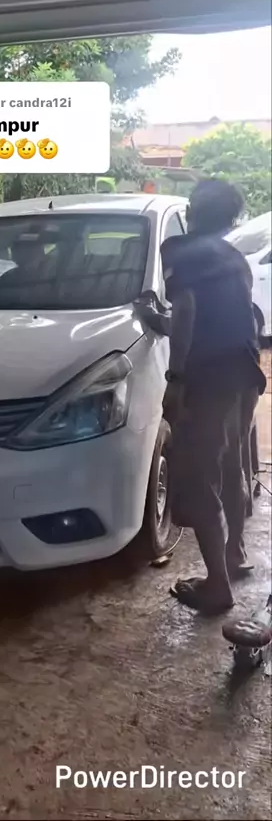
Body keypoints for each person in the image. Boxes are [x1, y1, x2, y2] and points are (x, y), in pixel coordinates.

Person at [161, 179, 267, 615]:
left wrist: (175, 378)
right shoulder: (234, 258)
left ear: (192, 211)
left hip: (210, 376)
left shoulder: (179, 250)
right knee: (231, 463)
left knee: (200, 476)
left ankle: (217, 587)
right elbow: (229, 314)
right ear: (230, 220)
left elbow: (186, 311)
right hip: (246, 372)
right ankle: (235, 554)